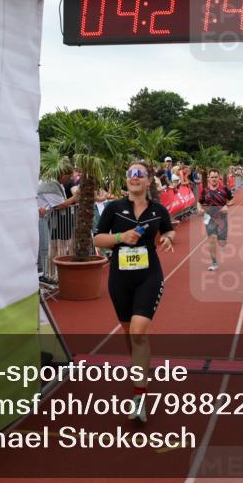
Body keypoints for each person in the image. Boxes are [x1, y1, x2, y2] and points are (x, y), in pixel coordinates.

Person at [92, 161, 175, 423]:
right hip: (120, 278)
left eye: (140, 174)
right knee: (130, 332)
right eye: (131, 174)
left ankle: (139, 395)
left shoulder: (158, 210)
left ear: (149, 180)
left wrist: (168, 239)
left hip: (148, 275)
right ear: (126, 180)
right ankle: (139, 363)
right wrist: (120, 238)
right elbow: (97, 239)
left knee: (139, 330)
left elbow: (170, 231)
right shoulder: (114, 208)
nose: (135, 177)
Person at [198, 168, 234, 271]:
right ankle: (214, 263)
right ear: (209, 178)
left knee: (222, 242)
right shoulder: (205, 191)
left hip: (222, 218)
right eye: (212, 177)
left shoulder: (225, 189)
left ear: (219, 178)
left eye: (215, 177)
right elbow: (199, 202)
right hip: (209, 218)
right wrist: (199, 208)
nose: (214, 179)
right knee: (212, 240)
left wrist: (227, 205)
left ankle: (222, 241)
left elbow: (232, 199)